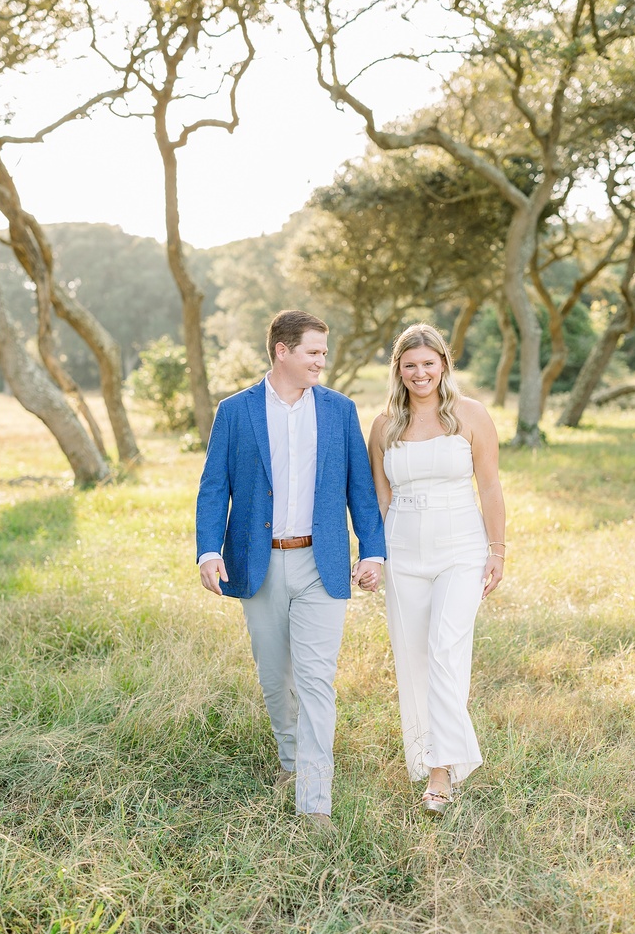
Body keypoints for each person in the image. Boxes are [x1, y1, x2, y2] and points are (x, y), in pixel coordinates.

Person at [196, 309, 386, 831]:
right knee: (276, 679)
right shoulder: (235, 412)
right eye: (314, 353)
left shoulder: (340, 411)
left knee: (317, 681)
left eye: (324, 353)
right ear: (282, 350)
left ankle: (315, 799)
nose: (322, 362)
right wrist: (208, 550)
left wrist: (373, 551)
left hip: (321, 563)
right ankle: (289, 761)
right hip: (257, 562)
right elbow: (214, 487)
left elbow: (360, 491)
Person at [366, 323, 505, 816]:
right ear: (398, 371)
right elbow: (380, 499)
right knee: (414, 659)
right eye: (410, 365)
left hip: (461, 549)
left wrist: (498, 550)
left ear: (444, 364)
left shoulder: (471, 415)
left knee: (445, 651)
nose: (420, 373)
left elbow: (489, 486)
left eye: (429, 363)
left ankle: (442, 771)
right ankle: (431, 753)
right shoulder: (383, 425)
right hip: (403, 551)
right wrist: (373, 556)